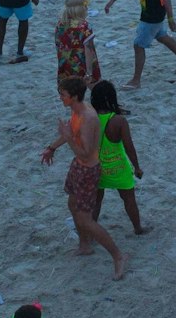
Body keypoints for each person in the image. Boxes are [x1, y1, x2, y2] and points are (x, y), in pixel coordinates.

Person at [41, 77, 128, 280]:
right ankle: (84, 245)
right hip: (78, 168)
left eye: (62, 94)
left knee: (85, 219)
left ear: (73, 96)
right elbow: (71, 131)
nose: (60, 97)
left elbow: (86, 152)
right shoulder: (77, 109)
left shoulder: (88, 117)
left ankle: (118, 255)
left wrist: (68, 137)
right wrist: (52, 147)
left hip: (88, 170)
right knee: (72, 204)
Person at [91, 80, 147, 234]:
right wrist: (137, 167)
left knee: (96, 203)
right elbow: (129, 147)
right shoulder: (119, 121)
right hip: (119, 168)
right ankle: (138, 228)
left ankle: (90, 231)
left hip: (97, 168)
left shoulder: (90, 118)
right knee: (129, 200)